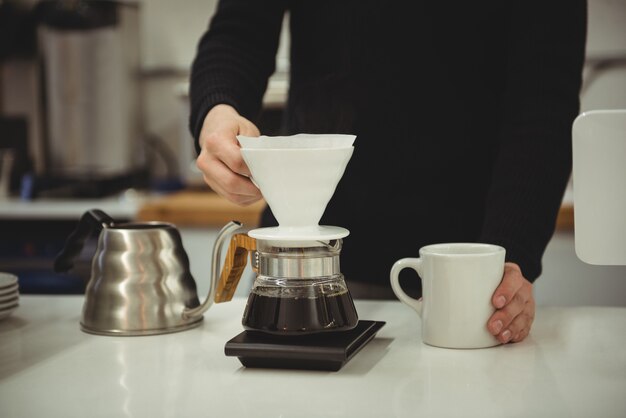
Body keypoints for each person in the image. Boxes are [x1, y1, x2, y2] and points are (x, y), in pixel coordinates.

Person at [188, 0, 587, 344]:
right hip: (301, 272)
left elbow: (543, 100)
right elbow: (239, 32)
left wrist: (507, 253)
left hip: (465, 277)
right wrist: (217, 110)